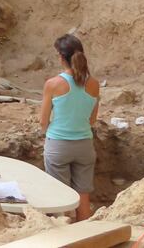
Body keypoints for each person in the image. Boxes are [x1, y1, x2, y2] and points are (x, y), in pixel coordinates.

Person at [40, 34, 100, 221]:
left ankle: (66, 235)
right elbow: (91, 120)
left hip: (58, 145)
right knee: (83, 194)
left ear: (60, 56)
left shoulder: (53, 84)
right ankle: (86, 236)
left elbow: (43, 121)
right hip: (84, 146)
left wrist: (49, 133)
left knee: (61, 196)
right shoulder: (94, 84)